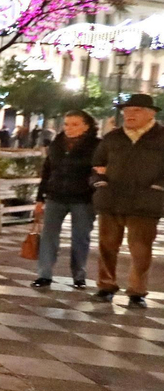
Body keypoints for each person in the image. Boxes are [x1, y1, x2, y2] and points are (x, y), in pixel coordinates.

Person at [92, 94, 164, 306]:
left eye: (136, 111)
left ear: (151, 113)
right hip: (111, 199)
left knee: (141, 248)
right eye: (127, 111)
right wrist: (100, 182)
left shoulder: (161, 137)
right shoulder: (113, 137)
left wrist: (158, 187)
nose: (129, 115)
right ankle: (106, 285)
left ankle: (137, 291)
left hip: (145, 203)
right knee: (107, 245)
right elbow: (97, 164)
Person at [33, 110, 99, 289]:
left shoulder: (97, 145)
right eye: (67, 124)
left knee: (80, 237)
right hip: (56, 195)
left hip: (83, 198)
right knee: (49, 236)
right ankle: (44, 274)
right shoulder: (57, 144)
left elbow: (99, 172)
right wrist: (40, 198)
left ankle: (79, 276)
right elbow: (47, 171)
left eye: (75, 124)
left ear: (87, 126)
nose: (69, 128)